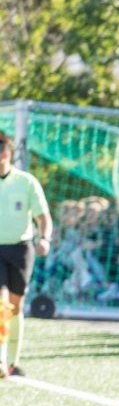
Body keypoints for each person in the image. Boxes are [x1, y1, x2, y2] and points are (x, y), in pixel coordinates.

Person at [0, 130, 51, 378]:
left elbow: (44, 217)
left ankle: (12, 361)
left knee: (16, 306)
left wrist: (44, 238)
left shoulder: (26, 182)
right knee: (1, 303)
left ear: (6, 153)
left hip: (20, 248)